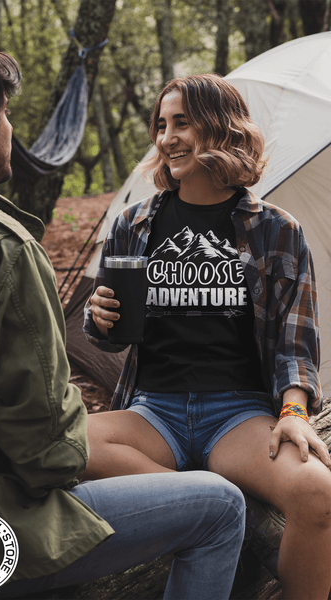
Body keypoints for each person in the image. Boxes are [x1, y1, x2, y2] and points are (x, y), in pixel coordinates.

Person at [0, 45, 246, 600]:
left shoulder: (268, 229)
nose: (9, 128)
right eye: (6, 115)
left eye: (183, 124)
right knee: (221, 504)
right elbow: (47, 452)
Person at [83, 74, 331, 600]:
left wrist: (293, 413)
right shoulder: (135, 223)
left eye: (183, 123)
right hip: (154, 412)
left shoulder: (275, 229)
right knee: (63, 446)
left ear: (221, 128)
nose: (166, 137)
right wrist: (98, 317)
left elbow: (295, 339)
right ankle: (213, 506)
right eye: (161, 125)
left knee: (318, 494)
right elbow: (107, 338)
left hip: (237, 415)